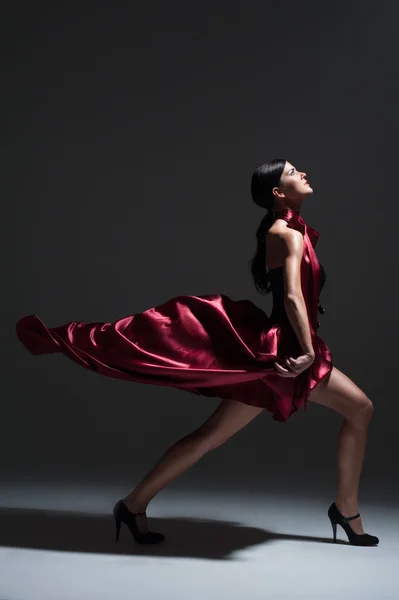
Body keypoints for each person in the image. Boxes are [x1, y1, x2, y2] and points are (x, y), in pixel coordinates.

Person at [15, 159, 379, 547]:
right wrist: (307, 351)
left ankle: (133, 505)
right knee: (356, 410)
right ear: (277, 192)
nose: (302, 173)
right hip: (285, 355)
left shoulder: (292, 230)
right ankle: (345, 509)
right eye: (292, 172)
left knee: (213, 435)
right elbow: (291, 296)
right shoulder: (284, 233)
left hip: (288, 349)